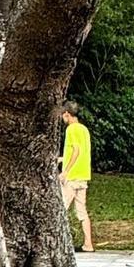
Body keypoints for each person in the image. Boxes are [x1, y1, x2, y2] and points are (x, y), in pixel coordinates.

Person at [60, 102, 94, 254]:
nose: (62, 119)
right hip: (83, 175)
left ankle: (59, 245)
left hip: (72, 176)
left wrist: (65, 171)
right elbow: (81, 152)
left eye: (63, 115)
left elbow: (76, 151)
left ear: (67, 114)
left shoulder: (71, 129)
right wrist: (61, 159)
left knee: (61, 208)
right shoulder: (84, 129)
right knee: (82, 211)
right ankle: (88, 244)